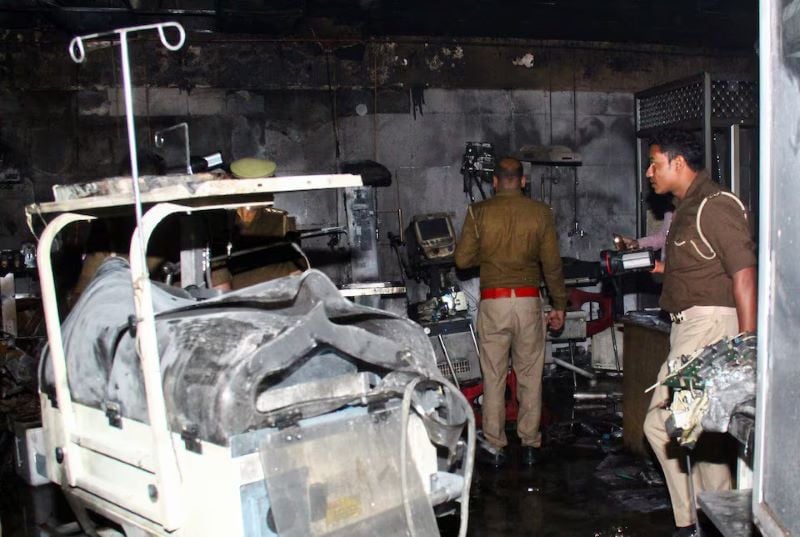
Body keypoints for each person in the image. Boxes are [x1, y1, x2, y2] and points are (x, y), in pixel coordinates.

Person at [641, 130, 757, 537]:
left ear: (677, 163)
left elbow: (744, 273)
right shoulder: (687, 209)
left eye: (654, 164)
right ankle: (716, 520)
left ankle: (688, 520)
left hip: (708, 329)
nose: (649, 172)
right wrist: (655, 269)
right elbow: (698, 269)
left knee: (663, 424)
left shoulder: (714, 205)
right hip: (691, 327)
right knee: (703, 431)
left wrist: (745, 346)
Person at [454, 157, 567, 466]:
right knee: (530, 375)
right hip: (529, 302)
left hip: (493, 301)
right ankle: (530, 444)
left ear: (494, 182)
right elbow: (553, 266)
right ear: (522, 181)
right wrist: (558, 304)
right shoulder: (540, 213)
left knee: (493, 376)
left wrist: (488, 252)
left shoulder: (478, 213)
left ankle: (495, 446)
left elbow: (462, 261)